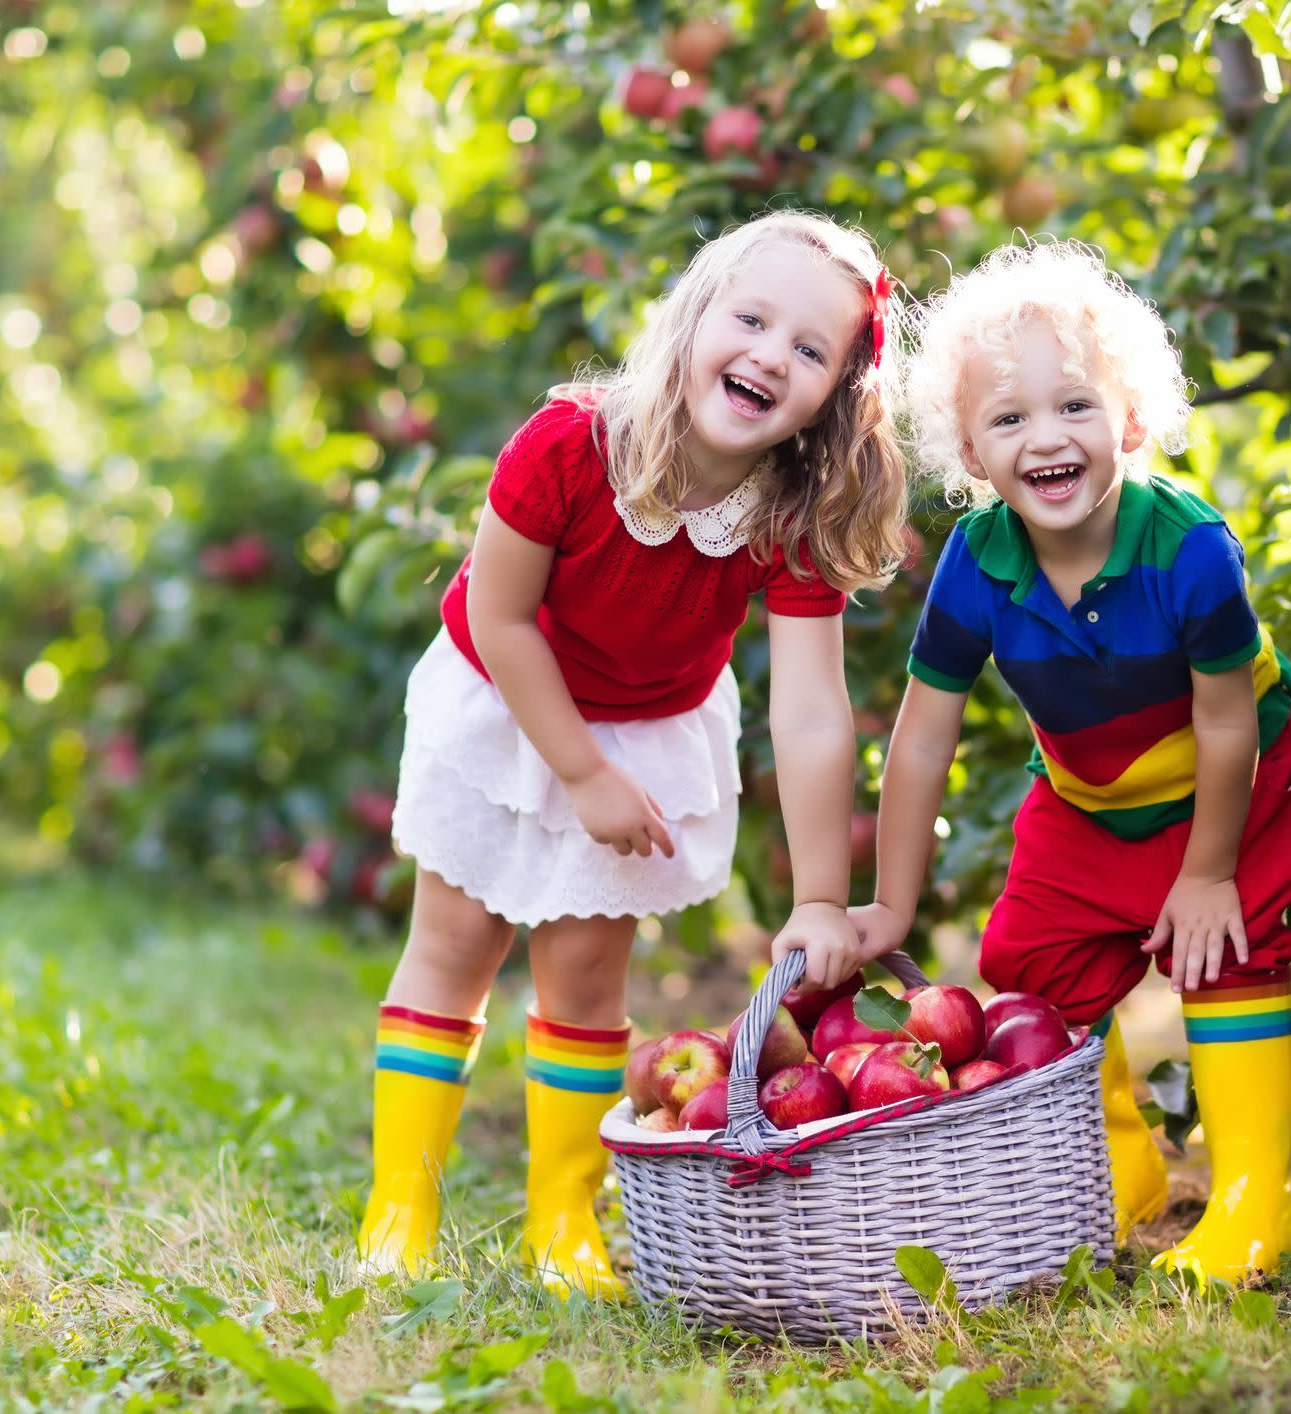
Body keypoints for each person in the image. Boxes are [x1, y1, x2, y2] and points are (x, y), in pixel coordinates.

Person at [359, 211, 907, 1298]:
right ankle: (398, 1208)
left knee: (586, 969)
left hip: (650, 722)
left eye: (810, 350)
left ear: (838, 394)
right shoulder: (571, 444)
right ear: (697, 314)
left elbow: (809, 711)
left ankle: (562, 1222)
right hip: (507, 700)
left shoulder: (790, 512)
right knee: (457, 939)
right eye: (751, 319)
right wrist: (581, 774)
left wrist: (818, 898)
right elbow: (506, 621)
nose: (768, 355)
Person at [849, 241, 1291, 1284]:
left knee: (1226, 950)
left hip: (1236, 776)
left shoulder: (1187, 547)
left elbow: (1229, 722)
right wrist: (888, 903)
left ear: (1133, 422)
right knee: (1028, 963)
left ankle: (1253, 1204)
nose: (1045, 438)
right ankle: (1119, 1162)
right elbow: (922, 734)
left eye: (1074, 407)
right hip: (1092, 791)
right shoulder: (976, 564)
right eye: (1009, 420)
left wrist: (1205, 875)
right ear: (970, 452)